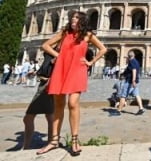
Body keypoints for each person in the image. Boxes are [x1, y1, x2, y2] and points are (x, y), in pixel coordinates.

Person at [36, 10, 107, 156]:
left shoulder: (88, 35)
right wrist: (59, 55)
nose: (73, 19)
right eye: (72, 17)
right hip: (61, 69)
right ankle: (54, 140)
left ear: (82, 21)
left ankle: (74, 140)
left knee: (73, 103)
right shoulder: (64, 33)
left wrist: (90, 62)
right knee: (59, 105)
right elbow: (46, 45)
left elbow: (103, 49)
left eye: (76, 18)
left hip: (77, 70)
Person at [22, 78, 54, 149]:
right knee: (50, 116)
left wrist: (48, 79)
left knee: (28, 118)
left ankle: (26, 147)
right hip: (45, 86)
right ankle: (51, 143)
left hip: (45, 87)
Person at [116, 50, 145, 115]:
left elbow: (134, 70)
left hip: (130, 82)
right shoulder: (136, 61)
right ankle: (141, 109)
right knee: (137, 95)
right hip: (135, 81)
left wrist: (133, 81)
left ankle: (118, 111)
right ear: (134, 55)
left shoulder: (132, 61)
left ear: (128, 56)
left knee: (123, 95)